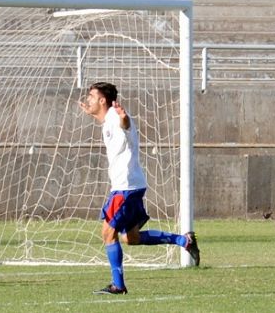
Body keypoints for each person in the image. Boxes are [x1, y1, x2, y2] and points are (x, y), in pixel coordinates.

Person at [79, 82, 200, 295]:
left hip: (125, 188)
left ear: (102, 100)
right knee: (130, 238)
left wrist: (124, 117)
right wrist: (93, 114)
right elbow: (112, 123)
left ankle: (118, 285)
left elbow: (125, 124)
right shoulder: (107, 120)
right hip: (130, 186)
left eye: (91, 96)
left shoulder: (116, 117)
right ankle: (183, 240)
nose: (87, 99)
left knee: (108, 232)